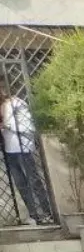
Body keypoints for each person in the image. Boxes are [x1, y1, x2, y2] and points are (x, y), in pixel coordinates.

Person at [1, 84, 52, 225]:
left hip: (23, 148)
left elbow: (29, 127)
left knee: (33, 180)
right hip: (9, 150)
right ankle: (34, 215)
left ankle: (46, 212)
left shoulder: (18, 104)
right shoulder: (2, 106)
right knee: (21, 184)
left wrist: (8, 126)